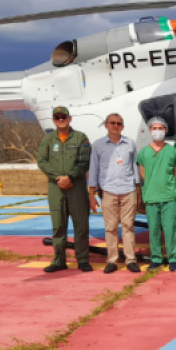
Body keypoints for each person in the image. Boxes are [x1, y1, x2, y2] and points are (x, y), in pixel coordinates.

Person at [36, 106, 92, 273]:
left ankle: (82, 260)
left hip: (77, 187)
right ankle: (59, 260)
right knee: (58, 225)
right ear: (54, 120)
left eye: (64, 117)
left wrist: (70, 177)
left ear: (70, 118)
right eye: (57, 117)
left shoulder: (80, 138)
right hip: (56, 187)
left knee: (81, 224)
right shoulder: (48, 140)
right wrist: (58, 177)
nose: (61, 120)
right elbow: (42, 161)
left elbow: (84, 161)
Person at [88, 113, 142, 274]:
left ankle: (130, 259)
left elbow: (135, 169)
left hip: (128, 190)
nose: (115, 126)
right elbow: (93, 170)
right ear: (106, 125)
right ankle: (112, 260)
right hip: (108, 190)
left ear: (123, 126)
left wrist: (138, 193)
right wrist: (91, 196)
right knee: (110, 227)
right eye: (112, 123)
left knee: (128, 226)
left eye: (119, 123)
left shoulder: (130, 144)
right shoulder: (98, 145)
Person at [136, 117, 176, 271]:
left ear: (166, 130)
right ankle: (156, 258)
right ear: (149, 131)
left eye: (160, 128)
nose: (157, 131)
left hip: (169, 196)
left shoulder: (173, 151)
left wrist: (166, 184)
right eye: (154, 128)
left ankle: (173, 258)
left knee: (171, 230)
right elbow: (143, 174)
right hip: (151, 196)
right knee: (153, 230)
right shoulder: (144, 152)